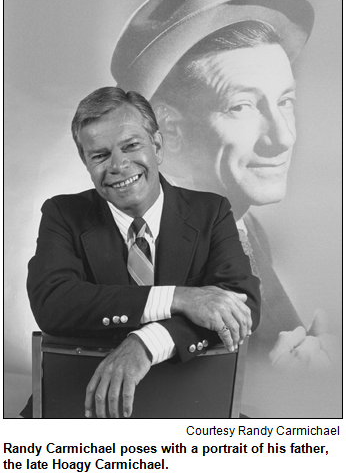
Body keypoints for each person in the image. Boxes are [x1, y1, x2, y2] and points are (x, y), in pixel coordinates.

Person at [110, 0, 340, 416]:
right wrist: (279, 396)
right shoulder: (144, 249)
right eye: (242, 106)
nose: (284, 137)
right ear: (171, 133)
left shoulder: (244, 229)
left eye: (285, 101)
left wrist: (307, 364)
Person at [26, 86, 261, 418]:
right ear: (86, 162)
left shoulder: (212, 212)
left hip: (189, 401)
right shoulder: (62, 214)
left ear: (158, 146)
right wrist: (179, 298)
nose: (119, 165)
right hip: (83, 404)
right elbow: (53, 303)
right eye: (100, 155)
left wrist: (146, 343)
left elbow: (241, 305)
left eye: (131, 145)